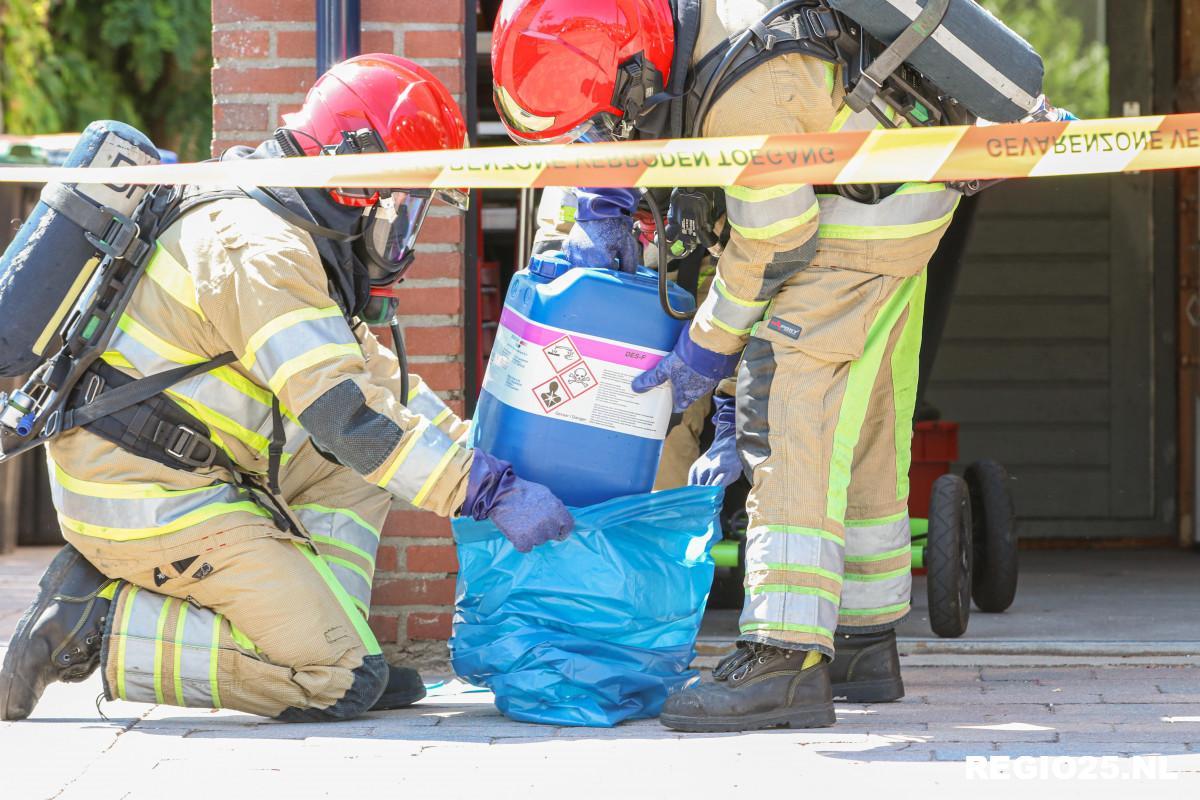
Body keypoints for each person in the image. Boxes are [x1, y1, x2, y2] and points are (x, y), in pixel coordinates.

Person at [0, 54, 573, 723]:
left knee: (362, 474)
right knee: (338, 682)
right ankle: (98, 621)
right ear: (359, 180)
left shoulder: (282, 222)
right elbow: (348, 418)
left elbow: (374, 388)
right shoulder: (262, 248)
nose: (406, 235)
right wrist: (486, 492)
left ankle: (338, 639)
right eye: (406, 205)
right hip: (142, 494)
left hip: (175, 464)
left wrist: (490, 453)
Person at [492, 0, 967, 731]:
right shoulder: (690, 33)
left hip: (857, 219)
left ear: (636, 67)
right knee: (854, 401)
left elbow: (778, 239)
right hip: (896, 193)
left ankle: (784, 657)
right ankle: (860, 642)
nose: (619, 127)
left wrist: (705, 349)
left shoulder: (739, 86)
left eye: (619, 112)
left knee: (784, 393)